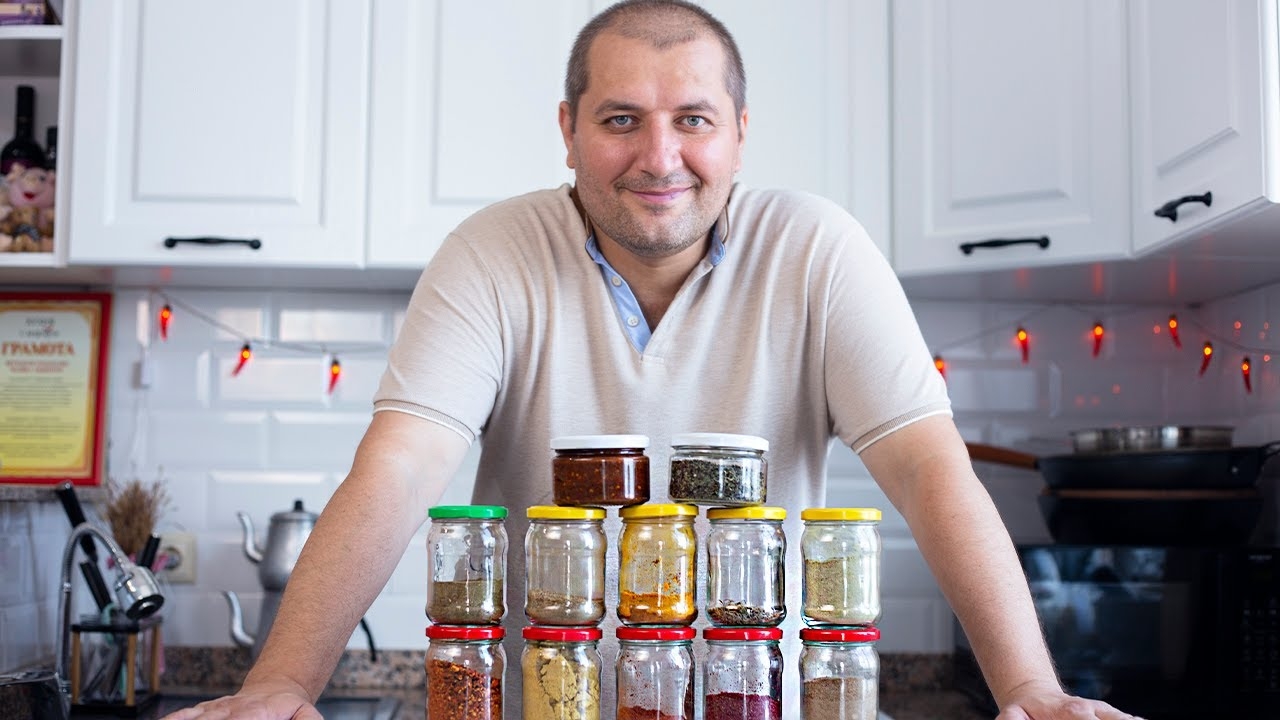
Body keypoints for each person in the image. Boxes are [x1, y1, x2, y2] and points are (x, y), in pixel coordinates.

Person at [166, 2, 1142, 719]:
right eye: (621, 119)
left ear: (740, 134)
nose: (659, 157)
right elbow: (400, 469)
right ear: (569, 131)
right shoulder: (492, 253)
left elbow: (929, 471)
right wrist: (279, 685)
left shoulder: (818, 251)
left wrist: (1029, 689)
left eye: (693, 120)